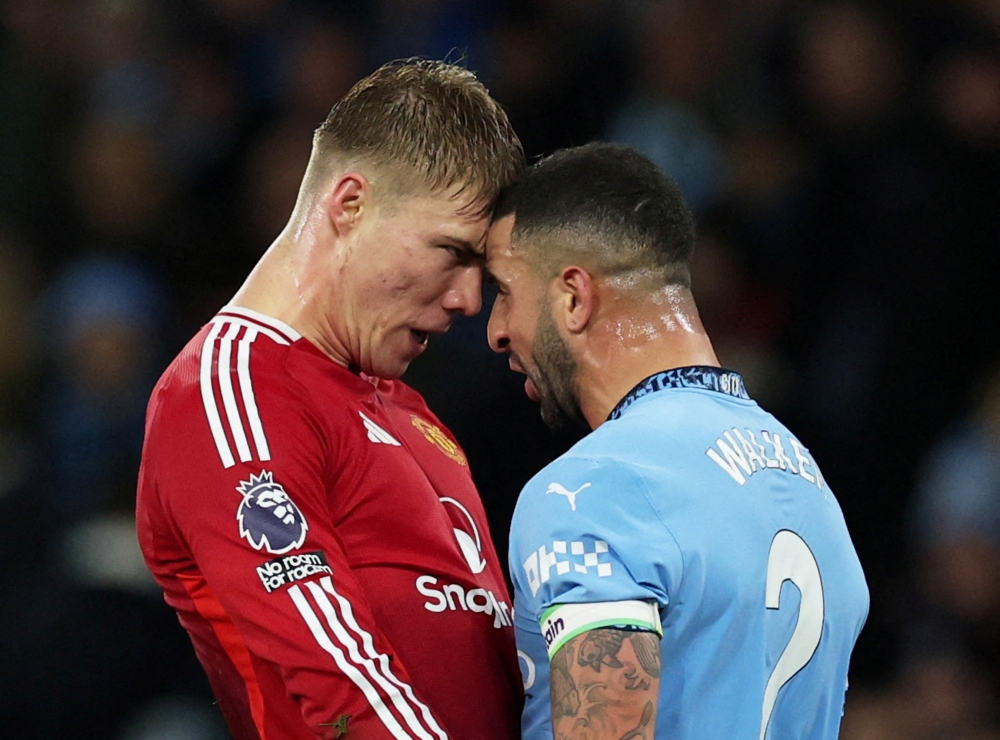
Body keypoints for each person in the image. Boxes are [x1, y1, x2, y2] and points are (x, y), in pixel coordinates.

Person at [136, 59, 525, 740]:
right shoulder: (230, 389)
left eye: (481, 271)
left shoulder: (407, 409)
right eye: (452, 252)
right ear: (350, 204)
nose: (469, 300)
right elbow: (341, 684)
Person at [484, 142, 869, 739]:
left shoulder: (592, 490)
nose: (496, 330)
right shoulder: (806, 480)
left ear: (574, 297)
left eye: (505, 291)